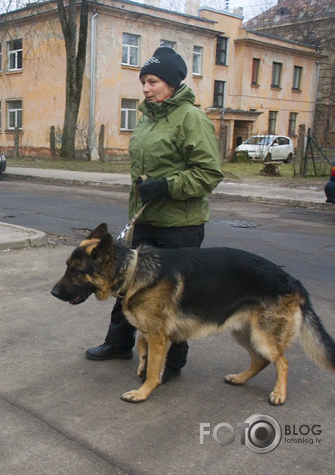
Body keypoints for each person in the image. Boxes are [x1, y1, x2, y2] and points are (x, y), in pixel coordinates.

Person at [85, 46, 224, 382]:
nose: (145, 88)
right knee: (125, 286)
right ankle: (118, 343)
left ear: (172, 83)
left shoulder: (192, 119)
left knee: (172, 298)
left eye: (153, 81)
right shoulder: (147, 118)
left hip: (180, 226)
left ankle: (172, 362)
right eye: (143, 81)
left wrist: (166, 186)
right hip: (145, 221)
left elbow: (209, 173)